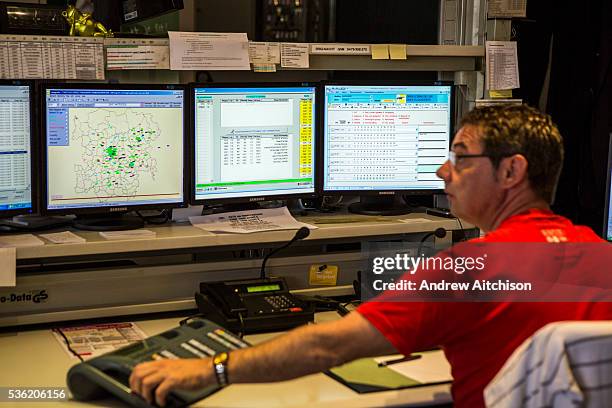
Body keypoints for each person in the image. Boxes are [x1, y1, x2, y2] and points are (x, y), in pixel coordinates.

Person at [129, 105, 612, 407]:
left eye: (462, 157)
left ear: (511, 171)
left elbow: (326, 347)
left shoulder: (470, 268)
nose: (444, 170)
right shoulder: (602, 256)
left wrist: (213, 368)